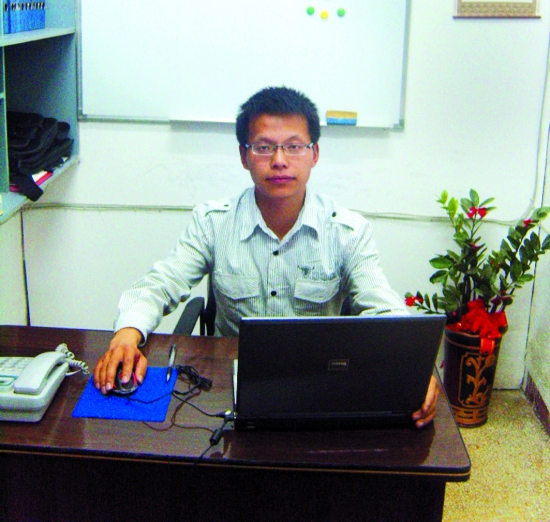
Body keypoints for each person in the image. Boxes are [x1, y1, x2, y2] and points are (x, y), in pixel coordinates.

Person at [94, 86, 438, 427]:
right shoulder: (214, 223)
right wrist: (127, 333)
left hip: (317, 387)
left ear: (314, 154)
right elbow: (160, 284)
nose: (279, 160)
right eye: (264, 147)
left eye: (294, 146)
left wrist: (410, 364)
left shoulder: (347, 231)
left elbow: (383, 305)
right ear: (244, 156)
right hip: (229, 386)